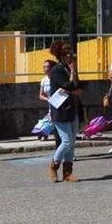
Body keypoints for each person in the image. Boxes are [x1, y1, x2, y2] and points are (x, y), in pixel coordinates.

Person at [47, 41, 81, 182]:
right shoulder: (57, 70)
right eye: (66, 54)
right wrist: (72, 75)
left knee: (72, 142)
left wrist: (75, 84)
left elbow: (75, 85)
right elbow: (68, 85)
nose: (69, 56)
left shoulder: (68, 68)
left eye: (70, 54)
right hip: (60, 110)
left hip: (72, 108)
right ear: (60, 56)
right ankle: (54, 166)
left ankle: (67, 172)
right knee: (66, 141)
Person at [37, 60, 56, 142]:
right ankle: (44, 131)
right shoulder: (44, 80)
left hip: (58, 102)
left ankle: (44, 131)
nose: (45, 69)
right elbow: (40, 95)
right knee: (51, 118)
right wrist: (47, 99)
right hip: (50, 103)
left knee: (53, 119)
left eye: (47, 67)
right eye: (44, 67)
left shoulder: (56, 79)